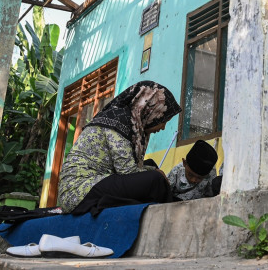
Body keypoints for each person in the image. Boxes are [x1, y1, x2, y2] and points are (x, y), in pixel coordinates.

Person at [57, 80, 181, 215]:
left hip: (97, 181)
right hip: (79, 189)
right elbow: (127, 171)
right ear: (149, 110)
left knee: (151, 167)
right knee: (155, 180)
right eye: (163, 120)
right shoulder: (118, 120)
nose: (162, 127)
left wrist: (154, 170)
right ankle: (170, 215)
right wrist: (157, 173)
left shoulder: (130, 121)